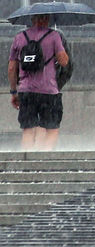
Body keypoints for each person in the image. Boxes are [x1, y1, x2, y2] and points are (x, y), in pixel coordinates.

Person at [8, 14, 70, 151]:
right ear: (47, 19)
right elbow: (64, 61)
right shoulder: (54, 36)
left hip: (26, 91)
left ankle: (27, 162)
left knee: (28, 129)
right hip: (49, 91)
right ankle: (44, 160)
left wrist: (13, 91)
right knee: (51, 128)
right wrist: (57, 50)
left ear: (32, 19)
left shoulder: (19, 37)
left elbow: (12, 68)